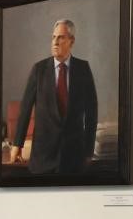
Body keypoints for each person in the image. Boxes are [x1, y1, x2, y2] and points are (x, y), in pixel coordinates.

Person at [8, 19, 98, 174]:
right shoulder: (39, 69)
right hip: (43, 156)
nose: (55, 42)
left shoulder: (83, 69)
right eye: (53, 37)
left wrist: (89, 151)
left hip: (74, 157)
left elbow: (92, 113)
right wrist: (17, 145)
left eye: (61, 37)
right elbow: (25, 109)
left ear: (71, 41)